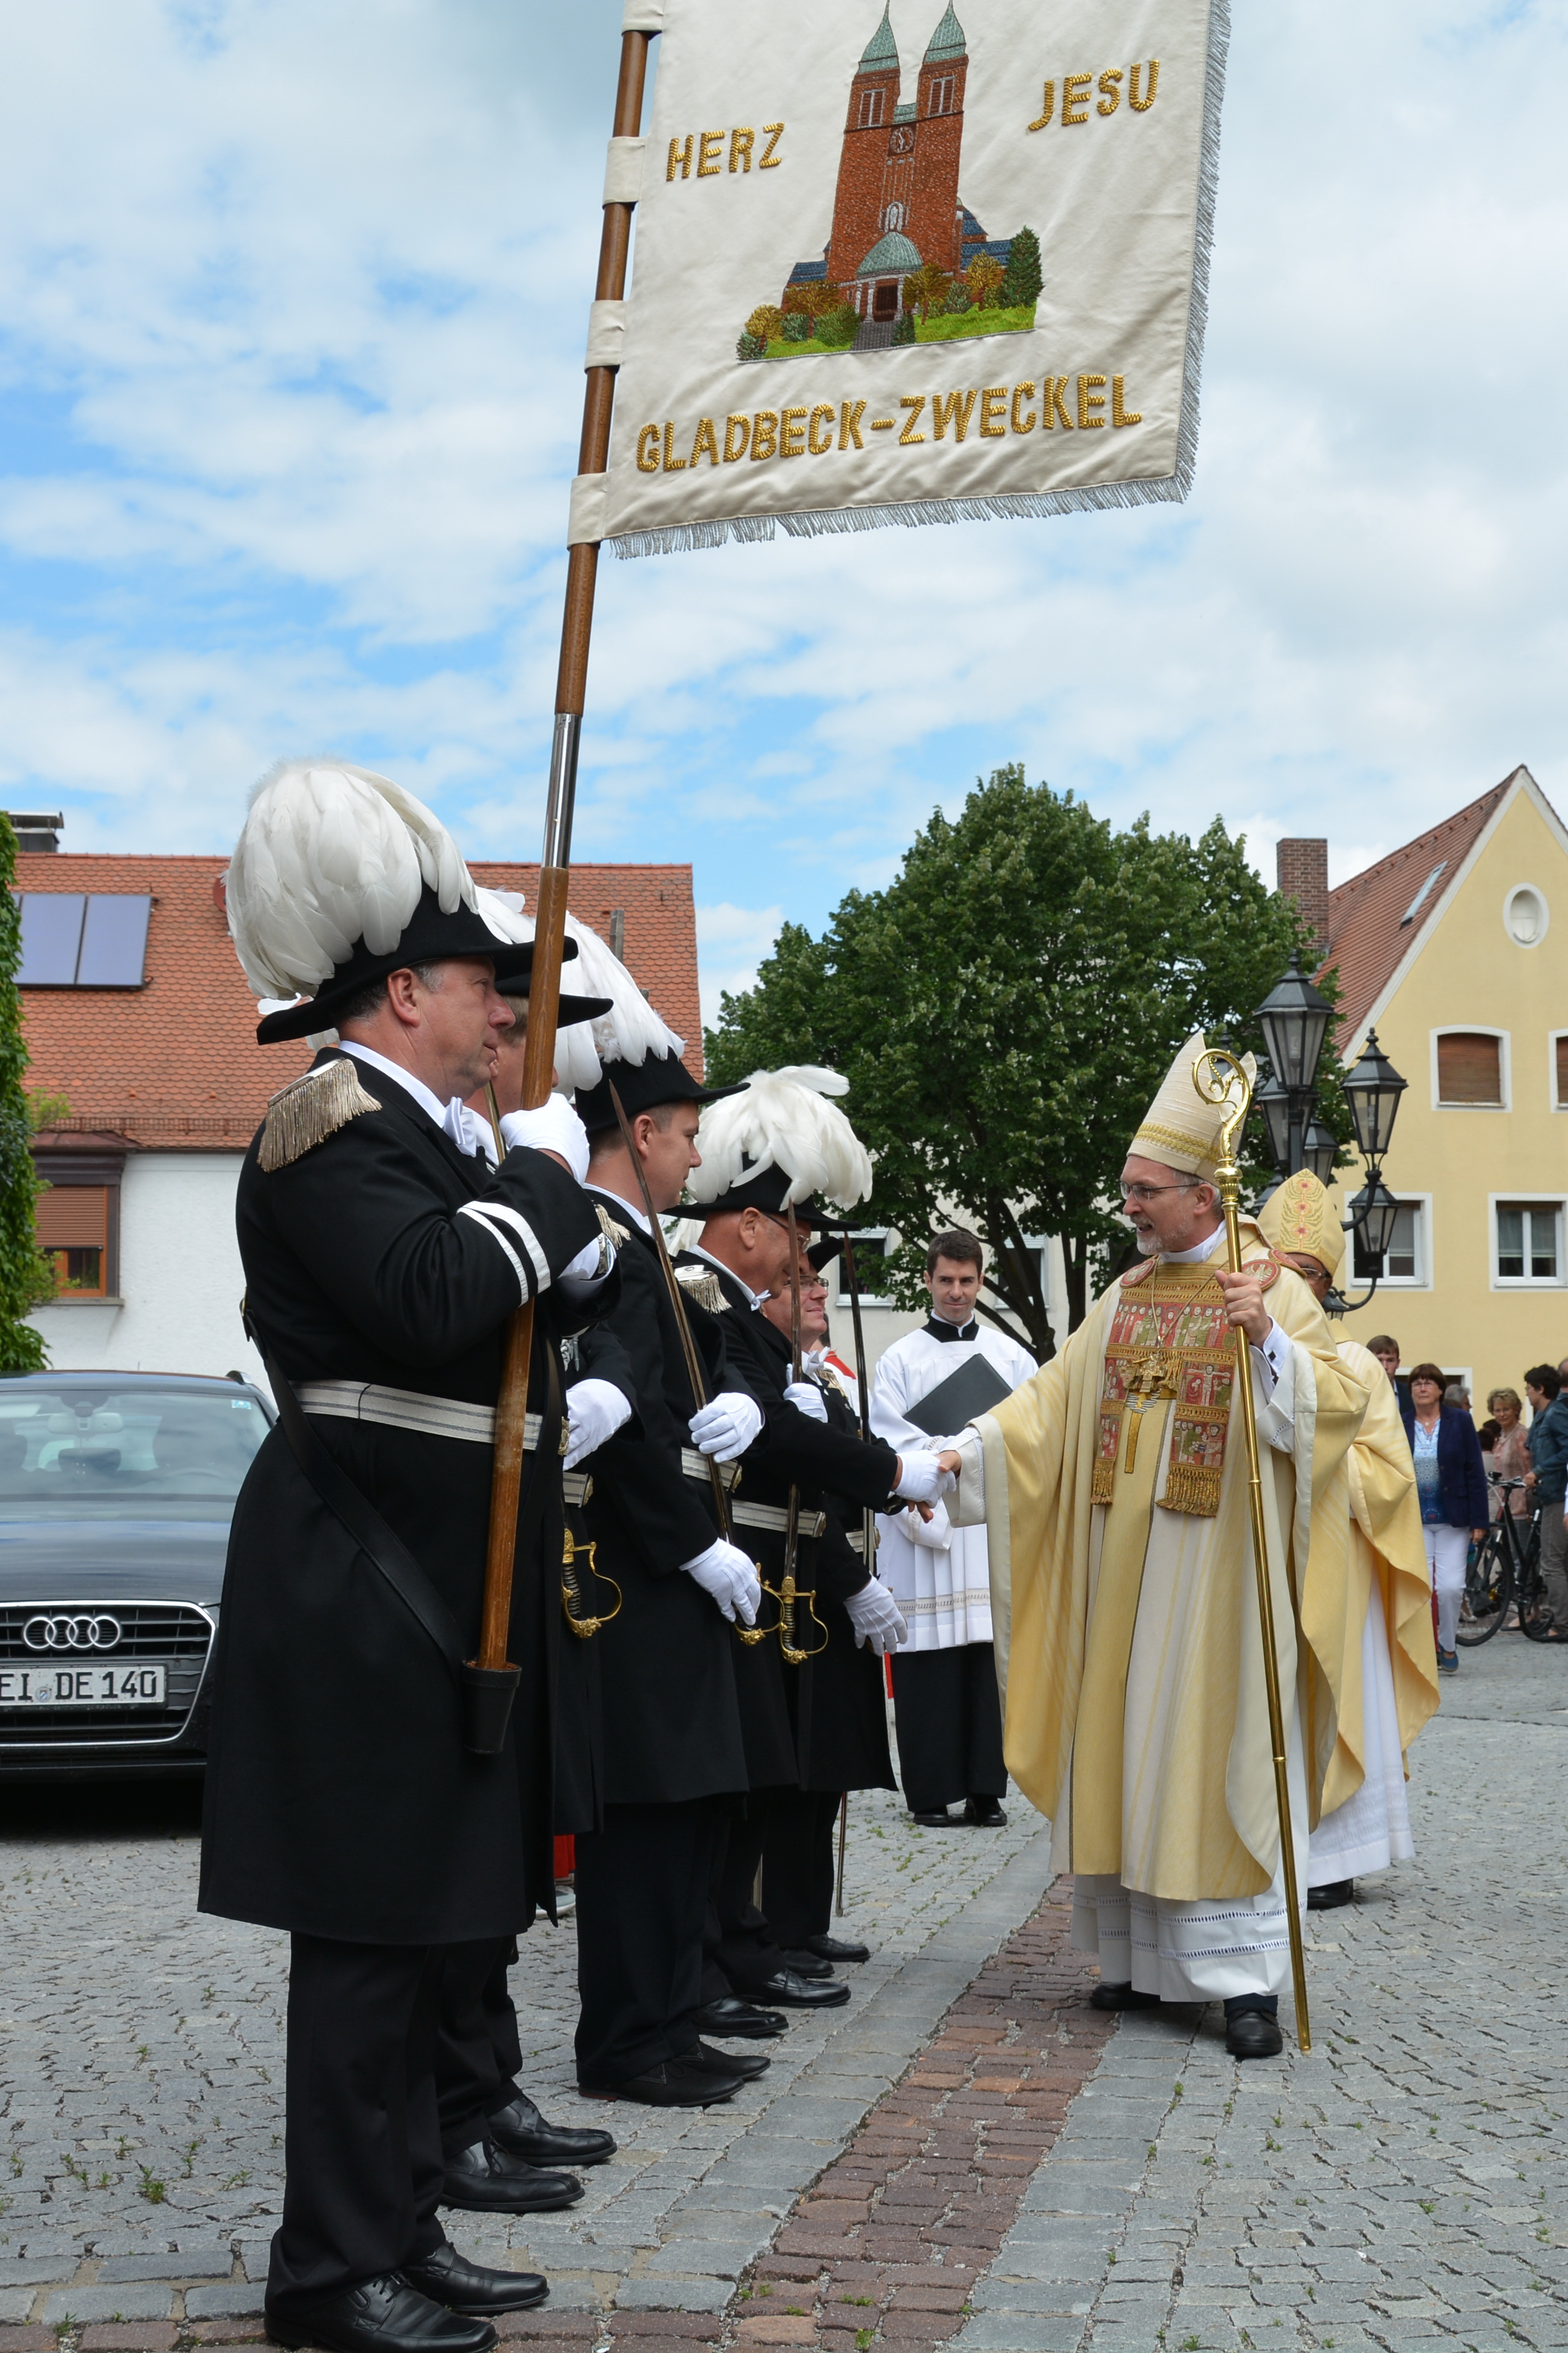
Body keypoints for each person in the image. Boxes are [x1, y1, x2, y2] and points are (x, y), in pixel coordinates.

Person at [201, 761, 619, 2353]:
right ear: (399, 995)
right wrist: (537, 1183)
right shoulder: (328, 1128)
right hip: (363, 1584)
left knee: (436, 1924)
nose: (499, 1017)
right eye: (475, 988)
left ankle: (403, 2225)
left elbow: (524, 1302)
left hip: (445, 1592)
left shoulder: (428, 1140)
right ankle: (329, 2270)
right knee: (369, 1946)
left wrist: (540, 1214)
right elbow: (442, 1299)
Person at [935, 1032, 1369, 2061]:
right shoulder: (1123, 1297)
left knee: (1214, 1768)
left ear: (1203, 1198)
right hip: (1127, 1588)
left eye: (1143, 1190)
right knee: (1130, 1757)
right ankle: (1137, 1962)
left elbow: (1343, 1405)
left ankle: (1245, 1980)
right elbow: (1047, 1406)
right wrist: (966, 1454)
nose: (1127, 1205)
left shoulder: (1276, 1292)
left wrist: (1265, 1342)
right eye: (1128, 1189)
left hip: (1225, 1592)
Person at [679, 1068, 943, 1999]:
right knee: (743, 1789)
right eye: (793, 1235)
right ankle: (733, 1956)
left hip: (782, 1569)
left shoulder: (759, 1337)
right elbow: (776, 1456)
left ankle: (751, 1947)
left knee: (773, 1782)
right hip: (737, 1562)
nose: (802, 1263)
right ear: (750, 1224)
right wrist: (892, 1475)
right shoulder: (704, 1304)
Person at [570, 1036, 767, 2106]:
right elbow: (622, 1425)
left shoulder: (645, 1247)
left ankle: (673, 2017)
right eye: (687, 1136)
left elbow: (711, 1355)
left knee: (693, 1803)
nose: (695, 1161)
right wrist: (691, 1544)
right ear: (640, 1132)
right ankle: (627, 2039)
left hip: (681, 1550)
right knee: (649, 1815)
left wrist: (737, 1390)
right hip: (635, 1561)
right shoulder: (597, 1244)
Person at [1256, 1172, 1437, 1912]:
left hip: (1335, 1561)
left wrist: (1319, 1451)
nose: (1291, 1288)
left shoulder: (1357, 1364)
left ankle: (1336, 1854)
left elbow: (1389, 1478)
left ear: (1326, 1284)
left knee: (1338, 1695)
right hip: (1263, 1558)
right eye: (1279, 1271)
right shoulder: (1242, 1354)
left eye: (1307, 1275)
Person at [870, 1231, 1035, 1827]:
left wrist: (966, 1452)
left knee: (984, 1663)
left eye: (967, 1281)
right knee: (929, 1666)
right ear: (927, 1281)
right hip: (928, 1527)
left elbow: (1030, 1433)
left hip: (986, 1528)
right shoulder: (899, 1359)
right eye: (945, 1280)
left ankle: (986, 1791)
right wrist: (943, 1461)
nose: (956, 1292)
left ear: (981, 1280)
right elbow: (887, 1439)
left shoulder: (1011, 1358)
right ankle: (930, 1793)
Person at [1400, 1362, 1488, 1674]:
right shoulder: (1402, 1423)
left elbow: (1475, 1471)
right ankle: (1426, 1649)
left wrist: (1480, 1520)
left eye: (1428, 1383)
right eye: (1416, 1384)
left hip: (1455, 1518)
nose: (1422, 1388)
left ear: (1439, 1390)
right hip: (1415, 1521)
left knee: (1450, 1587)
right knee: (1420, 1589)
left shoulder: (1460, 1421)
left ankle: (1448, 1643)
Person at [1524, 1365, 1568, 1637]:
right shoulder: (1545, 1415)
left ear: (1541, 1389)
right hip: (1548, 1495)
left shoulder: (1556, 1413)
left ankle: (1562, 1624)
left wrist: (1539, 1472)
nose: (1527, 1393)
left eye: (1529, 1387)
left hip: (1556, 1497)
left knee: (1552, 1561)